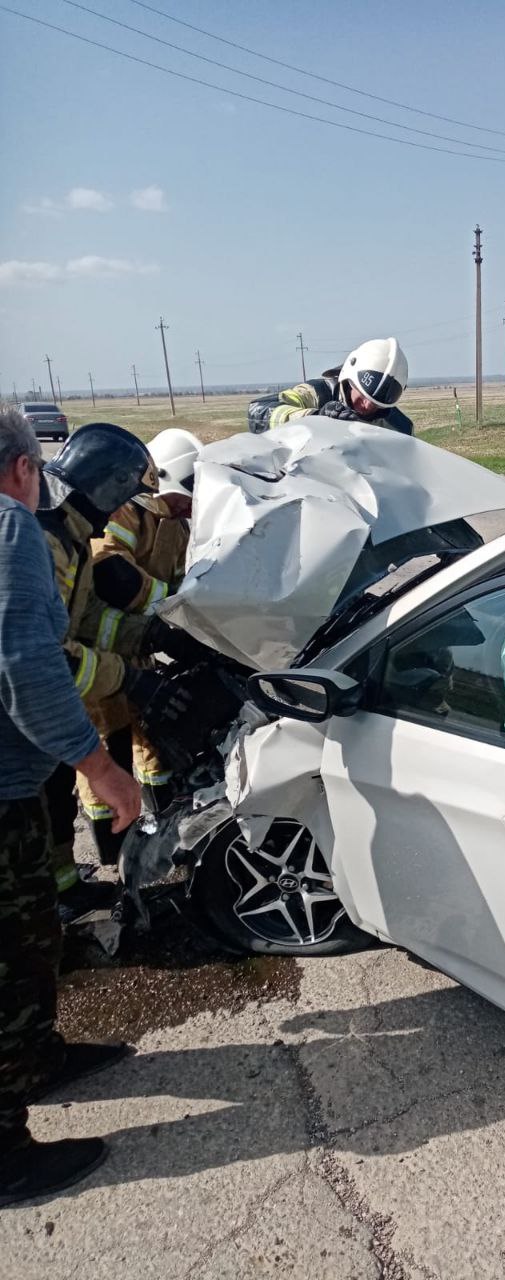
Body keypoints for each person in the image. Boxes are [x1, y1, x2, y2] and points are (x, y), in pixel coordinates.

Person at [0, 403, 141, 1206]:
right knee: (9, 961)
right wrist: (102, 767)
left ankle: (36, 1059)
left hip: (12, 783)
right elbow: (30, 664)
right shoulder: (13, 531)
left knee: (31, 941)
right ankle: (5, 1155)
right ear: (24, 468)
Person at [36, 424, 197, 915]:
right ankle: (51, 905)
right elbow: (51, 656)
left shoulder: (72, 537)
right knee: (48, 796)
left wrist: (151, 637)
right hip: (38, 704)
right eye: (120, 499)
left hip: (67, 686)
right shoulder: (46, 543)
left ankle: (63, 893)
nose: (118, 513)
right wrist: (129, 676)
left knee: (57, 792)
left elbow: (88, 617)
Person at [81, 429, 202, 861]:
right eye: (184, 496)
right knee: (108, 745)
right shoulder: (126, 513)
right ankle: (111, 850)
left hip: (138, 648)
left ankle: (160, 830)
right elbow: (110, 573)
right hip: (98, 653)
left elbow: (187, 580)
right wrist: (165, 612)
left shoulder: (176, 524)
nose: (189, 506)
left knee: (152, 741)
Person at [248, 337, 413, 436]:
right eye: (362, 396)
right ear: (349, 378)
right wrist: (315, 418)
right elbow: (257, 411)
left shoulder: (401, 428)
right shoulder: (316, 393)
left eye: (378, 404)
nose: (368, 406)